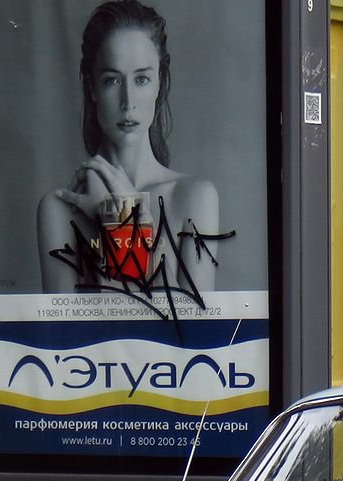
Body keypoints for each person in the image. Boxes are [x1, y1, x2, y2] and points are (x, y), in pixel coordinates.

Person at [36, 0, 220, 293]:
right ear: (92, 87)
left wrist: (124, 218)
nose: (128, 101)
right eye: (112, 80)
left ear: (160, 82)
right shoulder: (59, 210)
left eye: (142, 79)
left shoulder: (195, 197)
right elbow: (67, 325)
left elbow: (192, 324)